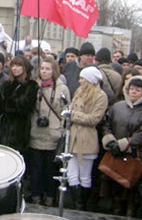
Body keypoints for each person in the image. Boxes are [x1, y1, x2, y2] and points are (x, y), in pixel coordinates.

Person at [101, 75, 142, 216]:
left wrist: (123, 144)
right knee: (112, 189)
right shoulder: (117, 107)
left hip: (133, 156)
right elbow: (106, 124)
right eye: (131, 89)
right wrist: (110, 140)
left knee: (129, 191)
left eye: (138, 90)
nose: (133, 92)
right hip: (114, 154)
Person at [29, 57, 70, 207]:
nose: (45, 72)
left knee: (50, 169)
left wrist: (62, 129)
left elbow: (66, 111)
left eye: (48, 69)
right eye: (42, 68)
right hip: (36, 133)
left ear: (54, 71)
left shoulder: (62, 88)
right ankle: (35, 195)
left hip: (53, 134)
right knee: (36, 168)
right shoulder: (35, 86)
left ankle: (50, 196)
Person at [67, 66, 108, 210]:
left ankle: (82, 206)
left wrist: (73, 115)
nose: (79, 81)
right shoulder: (79, 92)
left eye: (82, 78)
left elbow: (94, 119)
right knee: (71, 174)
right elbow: (71, 108)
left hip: (87, 138)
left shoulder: (101, 96)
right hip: (73, 138)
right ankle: (76, 204)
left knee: (84, 175)